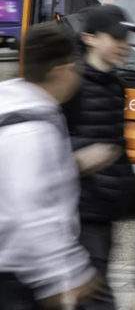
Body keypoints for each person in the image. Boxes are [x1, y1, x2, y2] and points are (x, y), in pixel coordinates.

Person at [0, 23, 106, 308]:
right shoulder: (33, 130)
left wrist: (73, 164)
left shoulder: (10, 104)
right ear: (62, 70)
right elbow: (31, 213)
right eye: (77, 68)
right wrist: (68, 274)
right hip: (14, 276)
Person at [62, 4, 135, 310]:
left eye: (128, 37)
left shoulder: (115, 87)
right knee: (96, 295)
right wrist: (82, 156)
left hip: (103, 211)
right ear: (89, 38)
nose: (125, 45)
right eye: (117, 37)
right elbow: (47, 141)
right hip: (77, 211)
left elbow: (116, 147)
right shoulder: (71, 83)